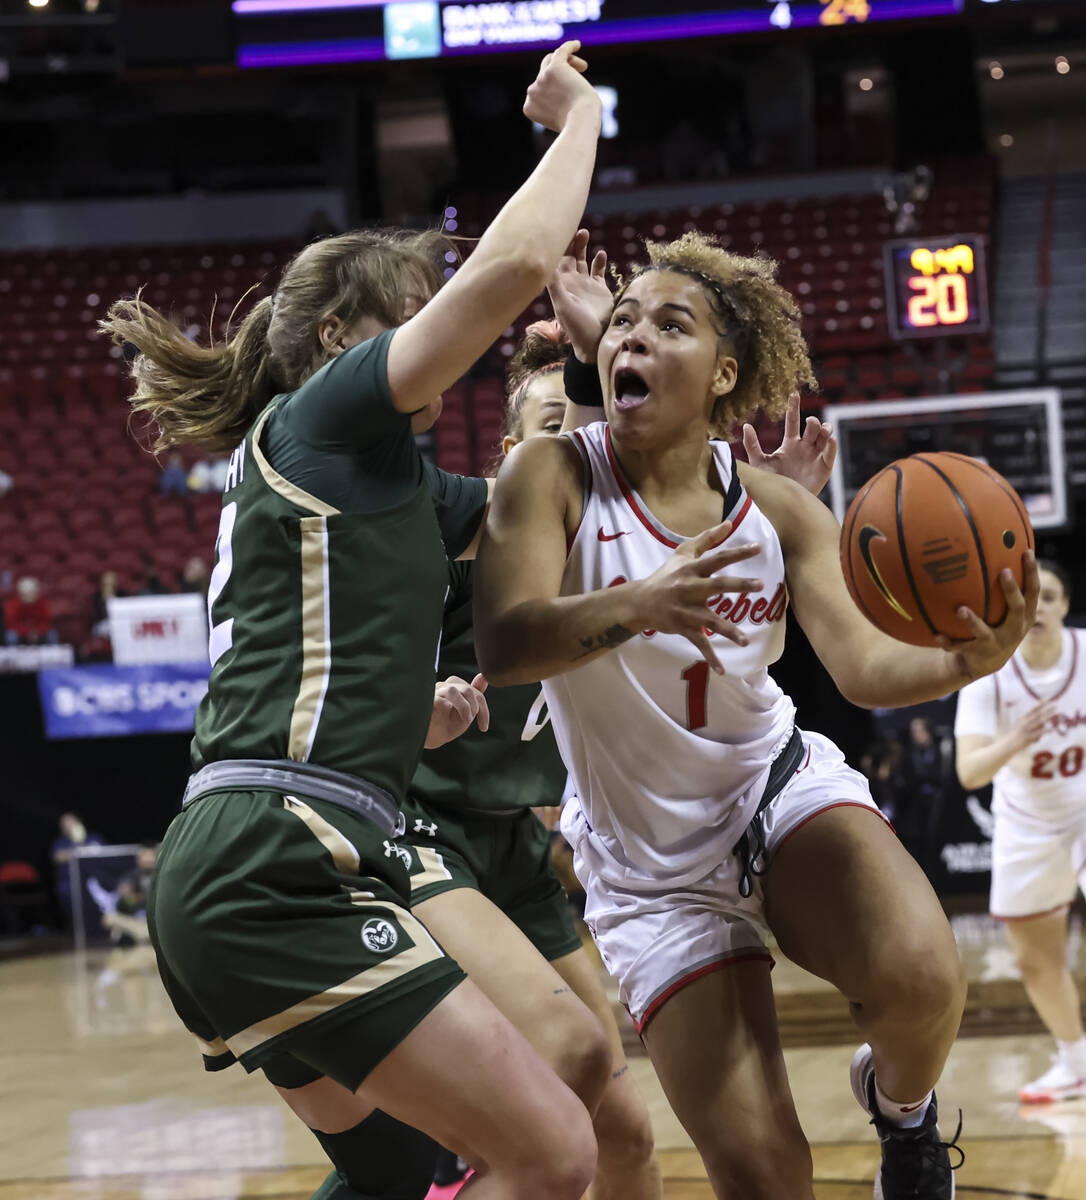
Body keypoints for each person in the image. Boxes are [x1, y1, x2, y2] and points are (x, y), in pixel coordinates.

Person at [100, 41, 605, 1200]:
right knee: (552, 1151)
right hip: (279, 857)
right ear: (344, 341)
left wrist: (599, 359)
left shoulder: (402, 490)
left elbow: (554, 507)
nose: (438, 323)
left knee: (392, 1175)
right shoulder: (320, 418)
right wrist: (580, 118)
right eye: (412, 310)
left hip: (257, 851)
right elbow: (518, 258)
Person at [473, 229, 1038, 1199]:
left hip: (769, 787)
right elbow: (506, 641)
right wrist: (638, 604)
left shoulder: (774, 507)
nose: (634, 338)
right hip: (651, 873)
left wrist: (960, 659)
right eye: (622, 323)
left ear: (724, 371)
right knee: (769, 1175)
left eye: (668, 322)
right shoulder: (553, 476)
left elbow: (862, 666)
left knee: (921, 974)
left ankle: (903, 1121)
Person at [954, 559, 1086, 1104]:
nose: (1040, 608)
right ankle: (1075, 1063)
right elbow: (969, 773)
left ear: (1064, 607)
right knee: (1036, 961)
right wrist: (1015, 740)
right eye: (1032, 599)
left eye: (1051, 597)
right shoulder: (989, 672)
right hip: (1026, 822)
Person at [4, 576, 56, 645]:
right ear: (20, 594)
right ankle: (12, 653)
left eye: (31, 592)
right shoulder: (13, 605)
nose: (29, 596)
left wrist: (37, 631)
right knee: (11, 635)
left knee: (52, 634)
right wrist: (27, 632)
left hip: (39, 633)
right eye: (26, 594)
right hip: (20, 634)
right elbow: (12, 623)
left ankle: (52, 653)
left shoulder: (43, 604)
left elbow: (46, 621)